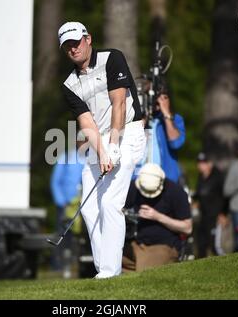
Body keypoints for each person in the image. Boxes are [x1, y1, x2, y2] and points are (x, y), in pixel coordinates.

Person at [59, 21, 146, 278]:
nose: (73, 48)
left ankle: (109, 271)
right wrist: (102, 151)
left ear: (88, 39)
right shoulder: (68, 84)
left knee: (109, 202)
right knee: (88, 208)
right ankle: (104, 271)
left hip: (127, 132)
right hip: (99, 140)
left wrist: (114, 146)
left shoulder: (112, 58)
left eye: (76, 42)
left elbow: (118, 103)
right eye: (67, 46)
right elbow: (86, 122)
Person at [122, 163, 192, 272]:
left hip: (162, 245)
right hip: (135, 241)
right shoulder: (134, 187)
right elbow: (118, 207)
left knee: (144, 273)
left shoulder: (176, 192)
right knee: (110, 256)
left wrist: (157, 216)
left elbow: (187, 228)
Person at [134, 92, 186, 183]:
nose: (157, 103)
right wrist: (143, 115)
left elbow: (176, 143)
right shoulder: (136, 119)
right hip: (138, 178)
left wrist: (166, 113)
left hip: (165, 180)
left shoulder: (175, 119)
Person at [50, 148, 84, 277]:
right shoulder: (66, 157)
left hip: (83, 206)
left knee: (82, 237)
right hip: (65, 205)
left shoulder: (92, 158)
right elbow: (55, 181)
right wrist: (61, 201)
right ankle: (58, 266)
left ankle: (79, 264)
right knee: (62, 236)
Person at [192, 152, 227, 258]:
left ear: (209, 164)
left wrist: (223, 214)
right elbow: (199, 194)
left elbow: (225, 196)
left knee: (215, 247)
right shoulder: (201, 178)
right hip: (203, 216)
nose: (200, 165)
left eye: (203, 163)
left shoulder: (218, 177)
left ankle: (227, 267)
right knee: (201, 246)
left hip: (215, 217)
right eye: (199, 163)